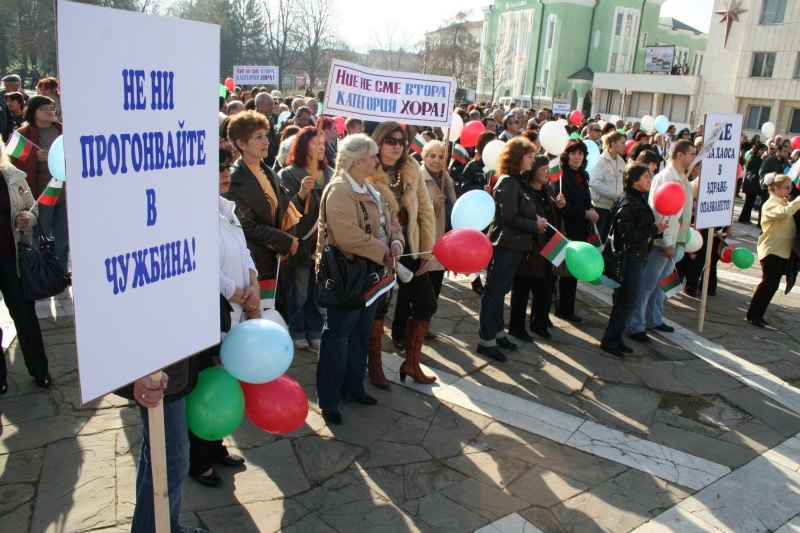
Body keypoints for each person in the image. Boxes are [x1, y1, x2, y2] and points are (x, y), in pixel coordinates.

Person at [315, 134, 403, 423]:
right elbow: (347, 236)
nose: (377, 160)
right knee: (337, 336)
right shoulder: (339, 190)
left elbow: (391, 222)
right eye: (373, 156)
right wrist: (384, 252)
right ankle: (329, 400)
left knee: (360, 334)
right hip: (348, 277)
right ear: (357, 161)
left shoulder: (371, 187)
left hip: (372, 275)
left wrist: (397, 244)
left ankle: (353, 388)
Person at [187, 147, 253, 487]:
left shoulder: (226, 207)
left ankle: (215, 445)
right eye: (218, 168)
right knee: (204, 383)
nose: (226, 173)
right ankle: (197, 459)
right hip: (211, 312)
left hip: (237, 311)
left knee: (223, 379)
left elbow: (243, 252)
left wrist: (253, 282)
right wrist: (233, 291)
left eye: (227, 166)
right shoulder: (194, 212)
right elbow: (202, 263)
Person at [367, 122, 437, 386]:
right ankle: (374, 365)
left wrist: (428, 249)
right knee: (378, 307)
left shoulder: (412, 169)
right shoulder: (366, 169)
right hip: (380, 250)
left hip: (411, 245)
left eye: (401, 141)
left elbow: (426, 211)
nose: (397, 145)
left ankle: (411, 363)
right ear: (379, 141)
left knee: (426, 304)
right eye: (391, 140)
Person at [223, 111, 299, 318]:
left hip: (275, 260)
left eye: (266, 135)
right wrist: (284, 241)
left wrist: (286, 241)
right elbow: (245, 225)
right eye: (258, 137)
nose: (266, 141)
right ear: (241, 143)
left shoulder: (269, 172)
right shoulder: (232, 180)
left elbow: (281, 213)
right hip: (252, 265)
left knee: (274, 317)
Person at [477, 137, 539, 361]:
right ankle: (486, 340)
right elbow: (511, 217)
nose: (533, 159)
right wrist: (535, 225)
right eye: (529, 155)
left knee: (500, 292)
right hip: (504, 245)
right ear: (517, 157)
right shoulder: (508, 182)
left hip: (515, 245)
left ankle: (497, 332)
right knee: (494, 293)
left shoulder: (518, 180)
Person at [628, 140, 696, 343]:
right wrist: (666, 242)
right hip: (663, 243)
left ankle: (654, 319)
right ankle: (636, 325)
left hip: (676, 240)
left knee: (661, 285)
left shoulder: (682, 177)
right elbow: (659, 211)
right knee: (646, 285)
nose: (694, 157)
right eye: (692, 153)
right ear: (680, 155)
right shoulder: (665, 177)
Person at [391, 140, 456, 347]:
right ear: (424, 157)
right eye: (432, 156)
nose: (437, 161)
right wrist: (432, 205)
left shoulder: (446, 178)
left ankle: (421, 326)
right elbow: (408, 211)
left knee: (433, 289)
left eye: (441, 156)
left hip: (441, 245)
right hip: (421, 244)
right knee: (410, 290)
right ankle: (400, 332)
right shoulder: (417, 177)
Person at [600, 163, 667, 357]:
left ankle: (616, 338)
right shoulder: (629, 203)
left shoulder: (638, 198)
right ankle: (610, 340)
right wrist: (652, 230)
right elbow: (626, 234)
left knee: (625, 300)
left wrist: (656, 231)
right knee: (628, 301)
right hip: (629, 258)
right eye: (646, 176)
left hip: (638, 255)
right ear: (634, 180)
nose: (649, 179)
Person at [0, 140, 50, 394]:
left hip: (12, 258)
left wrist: (26, 218)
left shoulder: (13, 175)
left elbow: (33, 208)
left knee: (24, 314)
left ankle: (40, 370)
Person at [279, 127, 332, 350]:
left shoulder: (330, 173)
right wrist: (300, 194)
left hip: (323, 243)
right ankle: (297, 329)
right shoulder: (289, 174)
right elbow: (284, 213)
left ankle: (315, 329)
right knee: (299, 290)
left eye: (323, 142)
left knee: (317, 290)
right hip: (300, 242)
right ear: (303, 146)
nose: (321, 146)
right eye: (315, 143)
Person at [508, 156, 565, 341]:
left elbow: (554, 217)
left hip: (550, 246)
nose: (548, 173)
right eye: (544, 169)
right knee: (522, 289)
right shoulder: (524, 191)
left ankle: (539, 324)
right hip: (530, 247)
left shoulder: (548, 189)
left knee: (545, 288)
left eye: (549, 168)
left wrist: (559, 207)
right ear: (533, 171)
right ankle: (517, 327)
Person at [11, 96, 68, 275]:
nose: (50, 111)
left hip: (63, 194)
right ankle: (40, 272)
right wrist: (35, 158)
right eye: (44, 108)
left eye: (52, 108)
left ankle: (60, 272)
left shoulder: (62, 130)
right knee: (38, 234)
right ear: (33, 111)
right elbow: (13, 165)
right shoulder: (24, 134)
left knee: (62, 236)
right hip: (40, 195)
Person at [747, 174, 800, 327]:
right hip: (772, 250)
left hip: (781, 250)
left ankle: (758, 314)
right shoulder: (770, 204)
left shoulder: (783, 202)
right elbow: (783, 214)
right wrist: (797, 202)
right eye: (787, 187)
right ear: (776, 188)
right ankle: (753, 314)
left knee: (772, 284)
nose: (790, 190)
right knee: (769, 283)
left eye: (791, 187)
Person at [553, 140, 597, 323]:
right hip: (567, 228)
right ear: (566, 155)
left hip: (581, 229)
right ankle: (562, 308)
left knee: (573, 272)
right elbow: (562, 207)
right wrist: (586, 213)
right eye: (573, 153)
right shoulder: (562, 176)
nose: (577, 157)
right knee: (564, 271)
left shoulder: (583, 175)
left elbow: (585, 199)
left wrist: (591, 209)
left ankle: (567, 307)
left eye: (581, 154)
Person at [590, 131, 626, 239]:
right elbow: (594, 183)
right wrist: (615, 196)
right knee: (597, 239)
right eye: (622, 143)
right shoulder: (600, 160)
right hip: (600, 207)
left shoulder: (621, 162)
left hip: (614, 207)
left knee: (605, 239)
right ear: (613, 144)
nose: (625, 146)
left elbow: (622, 183)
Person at [460, 132, 496, 196]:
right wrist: (481, 188)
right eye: (493, 143)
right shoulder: (473, 166)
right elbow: (464, 189)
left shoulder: (502, 165)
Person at [739, 143, 767, 224]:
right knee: (748, 202)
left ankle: (746, 218)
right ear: (757, 149)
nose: (763, 152)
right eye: (762, 150)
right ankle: (743, 218)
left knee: (751, 202)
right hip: (751, 181)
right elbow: (758, 167)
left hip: (755, 182)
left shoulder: (759, 159)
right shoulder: (752, 158)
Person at [254, 92, 278, 167]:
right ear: (260, 105)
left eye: (273, 104)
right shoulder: (253, 122)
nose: (272, 107)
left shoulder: (271, 119)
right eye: (269, 104)